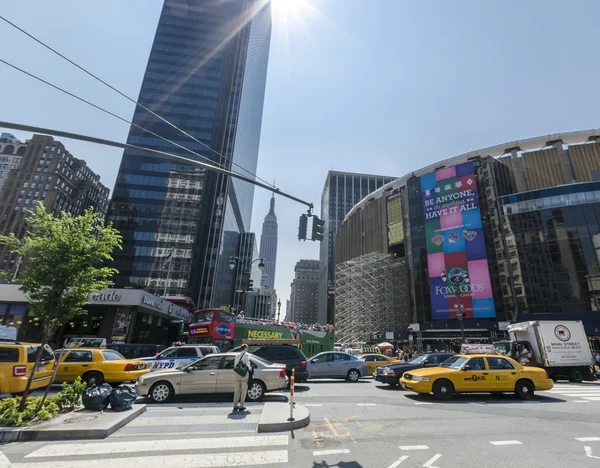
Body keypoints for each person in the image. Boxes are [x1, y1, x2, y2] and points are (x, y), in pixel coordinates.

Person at [233, 344, 251, 411]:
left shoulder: (237, 355)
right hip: (244, 374)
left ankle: (235, 405)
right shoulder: (247, 355)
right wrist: (250, 368)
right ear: (245, 348)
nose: (248, 348)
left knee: (237, 390)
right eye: (247, 347)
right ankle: (241, 405)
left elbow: (235, 365)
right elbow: (247, 364)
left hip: (237, 373)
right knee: (243, 390)